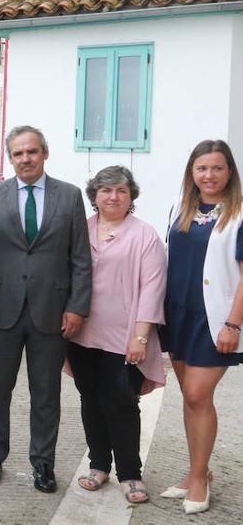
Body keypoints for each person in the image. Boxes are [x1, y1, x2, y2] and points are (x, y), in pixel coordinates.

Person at [0, 125, 92, 494]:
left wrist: (77, 307)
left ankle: (43, 463)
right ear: (11, 158)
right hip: (1, 310)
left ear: (45, 153)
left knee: (46, 392)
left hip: (52, 312)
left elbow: (80, 258)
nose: (25, 159)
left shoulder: (69, 197)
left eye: (32, 152)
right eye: (18, 153)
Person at [67, 166, 166, 505]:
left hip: (124, 335)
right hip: (81, 333)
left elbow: (153, 288)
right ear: (94, 195)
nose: (113, 196)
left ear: (131, 196)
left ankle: (129, 473)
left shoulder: (144, 234)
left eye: (121, 191)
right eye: (106, 190)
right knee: (90, 398)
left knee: (121, 402)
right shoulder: (81, 229)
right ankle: (98, 465)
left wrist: (140, 337)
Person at [159, 140, 243, 514]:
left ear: (230, 173)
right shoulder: (181, 207)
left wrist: (233, 324)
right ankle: (198, 472)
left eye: (217, 168)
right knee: (191, 398)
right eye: (202, 168)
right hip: (178, 314)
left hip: (215, 319)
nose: (209, 175)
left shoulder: (239, 214)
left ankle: (198, 478)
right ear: (192, 172)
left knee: (197, 394)